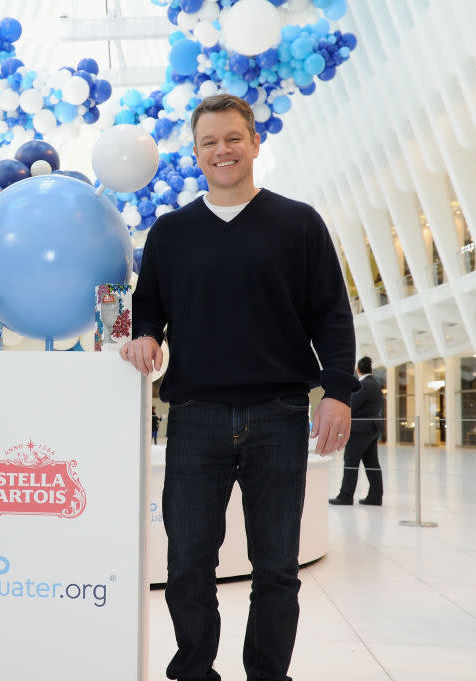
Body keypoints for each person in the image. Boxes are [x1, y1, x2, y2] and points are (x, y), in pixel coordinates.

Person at [120, 94, 357, 681]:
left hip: (278, 415)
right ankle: (195, 670)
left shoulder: (299, 223)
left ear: (255, 142)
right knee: (187, 563)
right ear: (195, 151)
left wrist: (338, 392)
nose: (221, 151)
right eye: (209, 142)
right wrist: (144, 335)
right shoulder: (171, 232)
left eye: (232, 139)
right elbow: (147, 304)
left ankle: (268, 675)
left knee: (276, 567)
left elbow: (331, 312)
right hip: (195, 416)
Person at [330, 356, 384, 506]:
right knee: (372, 463)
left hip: (360, 430)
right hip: (372, 429)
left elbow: (351, 405)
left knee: (350, 461)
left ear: (358, 369)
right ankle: (375, 496)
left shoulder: (364, 385)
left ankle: (345, 496)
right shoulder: (376, 384)